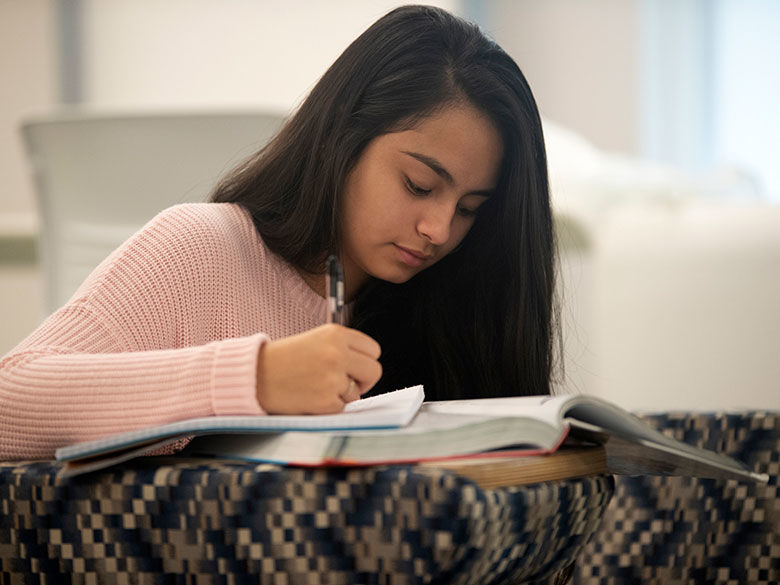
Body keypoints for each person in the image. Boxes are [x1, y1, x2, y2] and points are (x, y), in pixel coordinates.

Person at [0, 5, 558, 461]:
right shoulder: (203, 249)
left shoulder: (451, 306)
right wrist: (256, 378)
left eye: (470, 209)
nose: (438, 229)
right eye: (417, 185)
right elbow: (9, 405)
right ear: (345, 135)